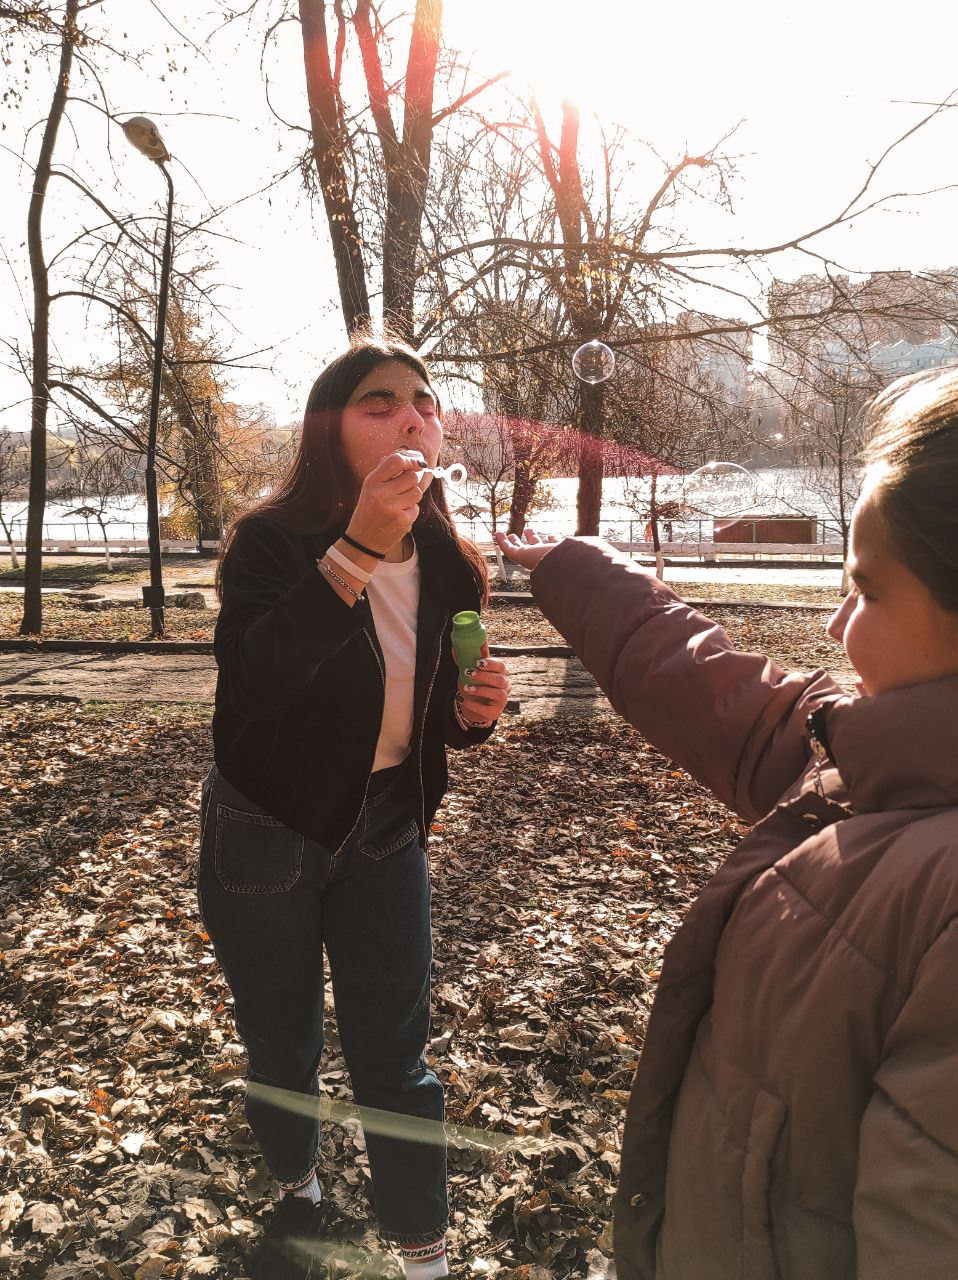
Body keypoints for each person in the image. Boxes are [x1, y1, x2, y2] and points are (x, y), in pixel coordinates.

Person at [497, 366, 958, 1279]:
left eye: (866, 591)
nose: (835, 625)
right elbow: (738, 708)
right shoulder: (887, 767)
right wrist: (581, 570)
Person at [200, 335, 511, 1280]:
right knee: (280, 1045)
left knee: (397, 1060)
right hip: (266, 828)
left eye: (425, 402)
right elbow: (254, 686)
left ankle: (425, 1259)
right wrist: (358, 551)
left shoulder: (451, 562)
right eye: (380, 402)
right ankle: (298, 1190)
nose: (412, 415)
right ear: (329, 429)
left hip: (385, 831)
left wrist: (470, 717)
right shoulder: (269, 542)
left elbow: (431, 714)